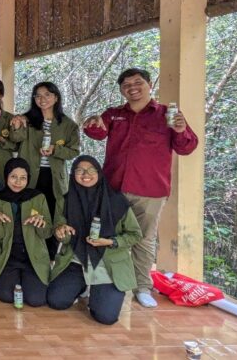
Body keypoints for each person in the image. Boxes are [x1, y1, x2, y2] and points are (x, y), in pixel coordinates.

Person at [83, 68, 198, 308]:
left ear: (149, 84)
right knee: (104, 233)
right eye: (126, 84)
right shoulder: (114, 114)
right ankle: (99, 281)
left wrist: (180, 129)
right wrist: (92, 123)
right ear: (121, 90)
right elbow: (96, 132)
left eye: (138, 83)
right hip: (114, 186)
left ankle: (142, 286)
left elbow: (186, 147)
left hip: (150, 189)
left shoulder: (167, 114)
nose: (132, 88)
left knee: (143, 239)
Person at [47, 156, 143, 325]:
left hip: (107, 263)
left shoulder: (117, 201)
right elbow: (59, 227)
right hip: (77, 260)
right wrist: (61, 232)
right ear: (72, 174)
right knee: (56, 300)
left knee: (105, 317)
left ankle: (99, 294)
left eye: (91, 170)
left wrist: (110, 242)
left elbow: (135, 235)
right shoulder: (66, 200)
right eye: (79, 170)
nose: (85, 174)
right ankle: (82, 286)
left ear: (99, 173)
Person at [9, 81, 80, 259]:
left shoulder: (67, 124)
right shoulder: (28, 120)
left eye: (47, 95)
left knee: (52, 213)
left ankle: (47, 256)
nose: (43, 99)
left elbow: (74, 151)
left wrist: (55, 150)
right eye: (38, 96)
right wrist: (17, 125)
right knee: (27, 210)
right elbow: (15, 140)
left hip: (54, 177)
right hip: (30, 176)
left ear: (56, 98)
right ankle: (24, 252)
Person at [0, 158, 53, 307]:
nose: (18, 182)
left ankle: (28, 281)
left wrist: (41, 224)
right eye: (13, 177)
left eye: (23, 178)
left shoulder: (38, 198)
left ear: (28, 178)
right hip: (8, 257)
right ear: (6, 177)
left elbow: (47, 233)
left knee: (36, 300)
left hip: (33, 257)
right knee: (5, 296)